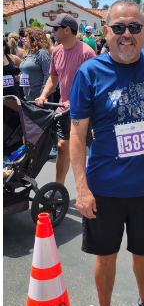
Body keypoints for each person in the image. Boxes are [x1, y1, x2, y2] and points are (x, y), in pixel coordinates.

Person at [69, 0, 144, 306]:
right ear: (105, 31)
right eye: (119, 28)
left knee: (143, 251)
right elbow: (77, 135)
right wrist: (81, 187)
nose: (127, 35)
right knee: (105, 255)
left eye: (135, 27)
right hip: (104, 189)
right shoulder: (89, 74)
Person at [35, 13, 96, 185]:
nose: (52, 31)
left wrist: (78, 100)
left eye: (55, 28)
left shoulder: (87, 53)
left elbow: (96, 86)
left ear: (67, 30)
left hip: (86, 112)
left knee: (92, 151)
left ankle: (92, 189)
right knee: (62, 148)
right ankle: (57, 190)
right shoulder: (56, 51)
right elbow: (53, 78)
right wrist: (43, 95)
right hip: (64, 110)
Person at [19, 28, 51, 101]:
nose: (24, 38)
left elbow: (48, 75)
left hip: (39, 96)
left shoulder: (42, 53)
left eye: (26, 36)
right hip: (28, 95)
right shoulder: (28, 53)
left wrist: (43, 95)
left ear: (34, 37)